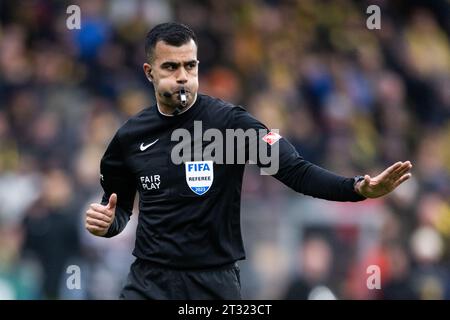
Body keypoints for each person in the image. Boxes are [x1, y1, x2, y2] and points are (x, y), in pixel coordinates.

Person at [85, 22, 413, 300]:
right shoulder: (129, 138)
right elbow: (120, 211)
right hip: (149, 283)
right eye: (171, 67)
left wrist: (356, 188)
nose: (183, 76)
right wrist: (108, 223)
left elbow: (296, 172)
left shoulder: (231, 125)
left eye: (191, 65)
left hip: (212, 284)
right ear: (149, 72)